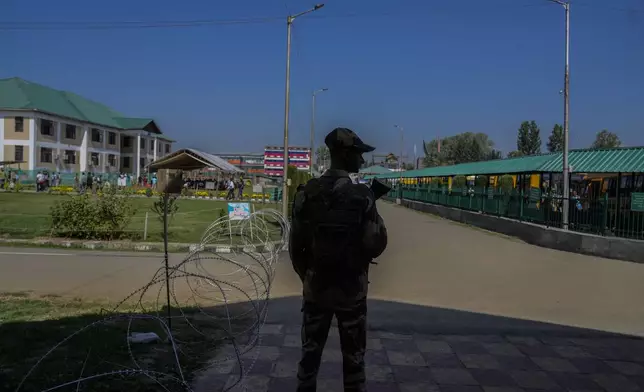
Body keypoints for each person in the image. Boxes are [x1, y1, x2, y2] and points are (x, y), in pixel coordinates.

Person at [290, 127, 388, 392]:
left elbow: (294, 248)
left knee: (309, 360)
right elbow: (376, 245)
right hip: (351, 292)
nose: (363, 160)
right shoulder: (363, 197)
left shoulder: (306, 193)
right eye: (358, 154)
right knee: (354, 363)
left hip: (316, 289)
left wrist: (308, 277)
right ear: (345, 154)